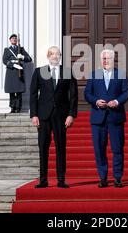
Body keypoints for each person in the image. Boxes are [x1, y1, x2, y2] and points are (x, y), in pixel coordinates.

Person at [30, 47, 78, 189]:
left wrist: (71, 114)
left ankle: (61, 180)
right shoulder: (40, 71)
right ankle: (43, 180)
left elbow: (74, 95)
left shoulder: (67, 71)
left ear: (60, 56)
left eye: (57, 54)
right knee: (43, 148)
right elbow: (33, 94)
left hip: (61, 116)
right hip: (43, 115)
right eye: (52, 54)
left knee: (60, 147)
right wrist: (34, 114)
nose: (55, 56)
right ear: (48, 56)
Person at [84, 50, 128, 188]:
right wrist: (96, 101)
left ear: (113, 59)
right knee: (99, 149)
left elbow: (126, 92)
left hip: (116, 117)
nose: (105, 60)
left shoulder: (121, 74)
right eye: (103, 58)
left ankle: (117, 177)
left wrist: (117, 101)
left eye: (108, 58)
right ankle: (103, 178)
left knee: (117, 149)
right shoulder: (94, 75)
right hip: (98, 117)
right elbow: (87, 93)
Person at [3, 34, 32, 113]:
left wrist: (23, 57)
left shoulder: (21, 49)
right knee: (12, 91)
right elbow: (4, 60)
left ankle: (18, 108)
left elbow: (29, 59)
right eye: (12, 38)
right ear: (10, 40)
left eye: (15, 38)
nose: (14, 39)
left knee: (19, 91)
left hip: (19, 71)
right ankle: (12, 107)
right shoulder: (7, 50)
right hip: (11, 71)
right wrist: (13, 65)